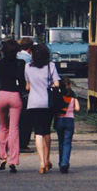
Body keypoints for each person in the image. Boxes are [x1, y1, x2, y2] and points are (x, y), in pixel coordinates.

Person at [0, 39, 26, 173]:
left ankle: (2, 157)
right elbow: (22, 82)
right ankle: (13, 161)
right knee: (14, 128)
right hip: (15, 96)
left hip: (2, 95)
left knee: (2, 127)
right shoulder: (20, 63)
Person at [24, 43, 61, 174]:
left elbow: (27, 87)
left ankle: (41, 163)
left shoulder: (27, 67)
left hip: (33, 103)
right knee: (46, 131)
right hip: (47, 103)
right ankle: (47, 159)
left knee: (38, 133)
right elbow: (56, 83)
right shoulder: (51, 66)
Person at [54, 79, 80, 174]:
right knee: (67, 143)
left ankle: (61, 163)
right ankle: (65, 162)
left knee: (61, 142)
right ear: (69, 85)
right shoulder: (73, 95)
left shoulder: (58, 95)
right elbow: (77, 108)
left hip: (59, 120)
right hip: (70, 121)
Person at [17, 37, 35, 153]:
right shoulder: (28, 60)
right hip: (25, 91)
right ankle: (23, 143)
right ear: (30, 48)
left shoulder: (16, 56)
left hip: (12, 90)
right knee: (26, 119)